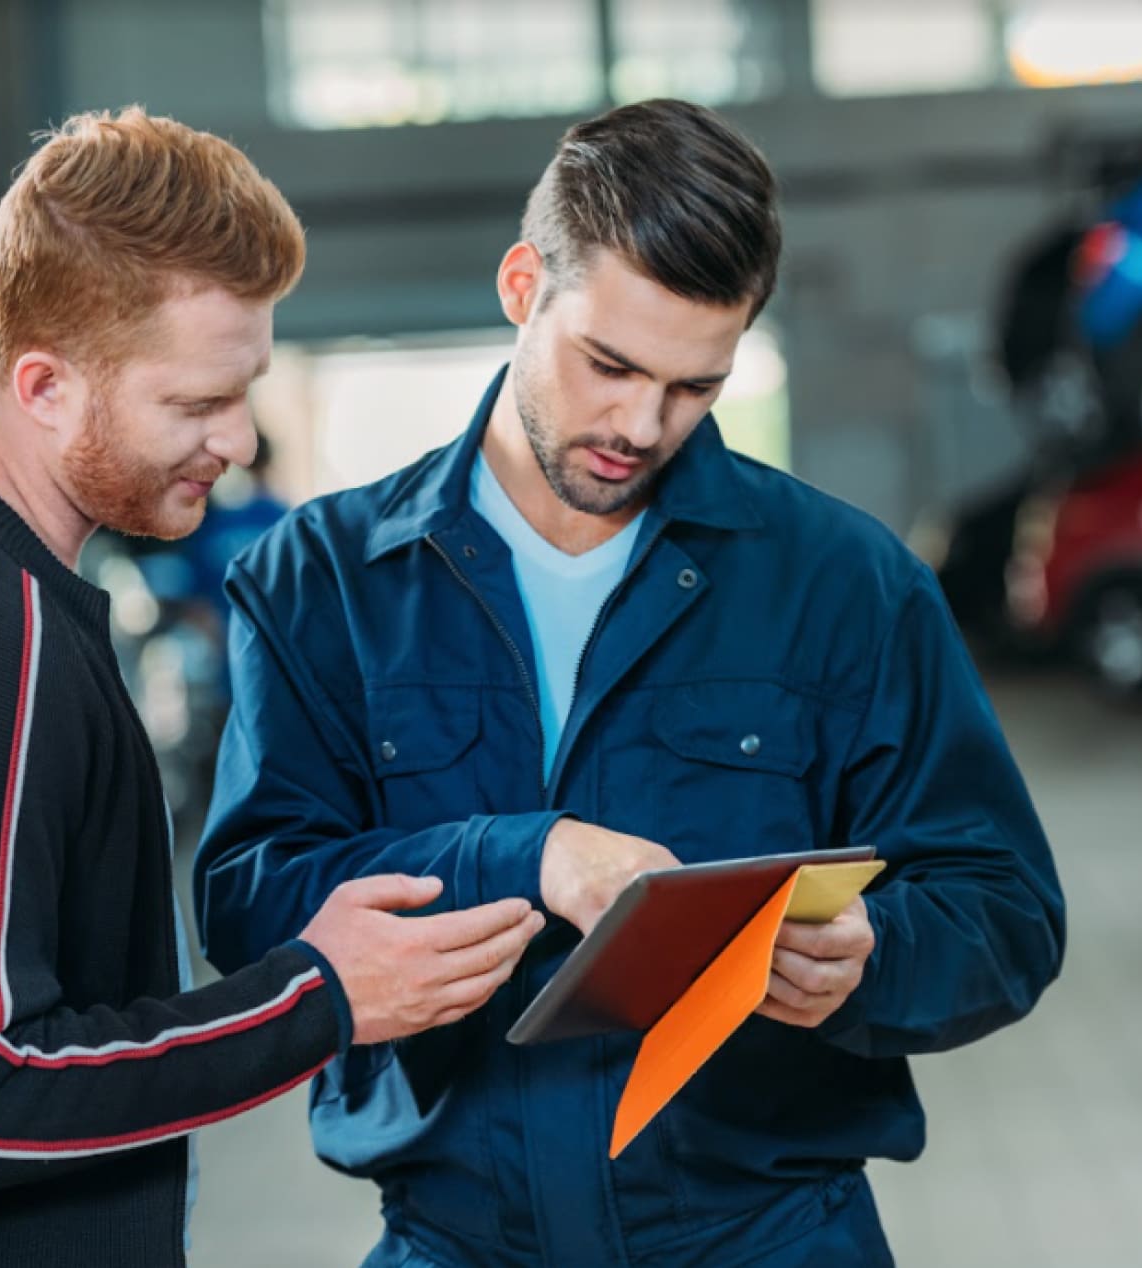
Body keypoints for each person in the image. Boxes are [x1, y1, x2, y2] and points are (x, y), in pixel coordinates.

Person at [194, 98, 1066, 1266]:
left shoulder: (846, 582)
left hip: (767, 1235)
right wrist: (523, 855)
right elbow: (254, 899)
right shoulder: (320, 585)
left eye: (695, 386)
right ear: (521, 286)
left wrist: (874, 953)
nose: (640, 423)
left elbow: (1004, 905)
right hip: (458, 1237)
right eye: (608, 363)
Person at [0, 107, 542, 1268]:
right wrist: (317, 996)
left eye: (246, 389)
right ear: (44, 384)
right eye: (194, 403)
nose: (235, 438)